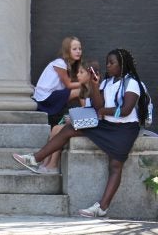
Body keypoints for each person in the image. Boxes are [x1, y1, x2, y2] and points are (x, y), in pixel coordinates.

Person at [13, 48, 148, 217]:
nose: (108, 65)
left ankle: (102, 207)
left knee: (115, 166)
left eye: (111, 63)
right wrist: (94, 85)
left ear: (122, 65)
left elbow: (127, 110)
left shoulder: (132, 83)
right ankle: (35, 158)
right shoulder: (107, 82)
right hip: (107, 125)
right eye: (107, 62)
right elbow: (98, 106)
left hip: (125, 129)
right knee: (70, 128)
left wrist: (103, 112)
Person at [37, 62, 95, 174]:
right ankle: (45, 162)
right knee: (55, 128)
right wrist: (72, 118)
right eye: (78, 72)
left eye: (81, 72)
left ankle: (53, 164)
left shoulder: (95, 90)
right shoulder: (83, 91)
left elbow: (91, 113)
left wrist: (73, 120)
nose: (78, 75)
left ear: (90, 75)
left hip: (93, 125)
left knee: (60, 129)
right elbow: (84, 111)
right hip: (85, 123)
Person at [33, 36, 85, 126]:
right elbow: (68, 85)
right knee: (80, 91)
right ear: (67, 50)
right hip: (45, 98)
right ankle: (88, 116)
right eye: (74, 49)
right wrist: (86, 83)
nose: (78, 51)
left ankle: (80, 117)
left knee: (83, 92)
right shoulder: (60, 63)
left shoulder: (70, 64)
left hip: (53, 95)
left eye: (80, 49)